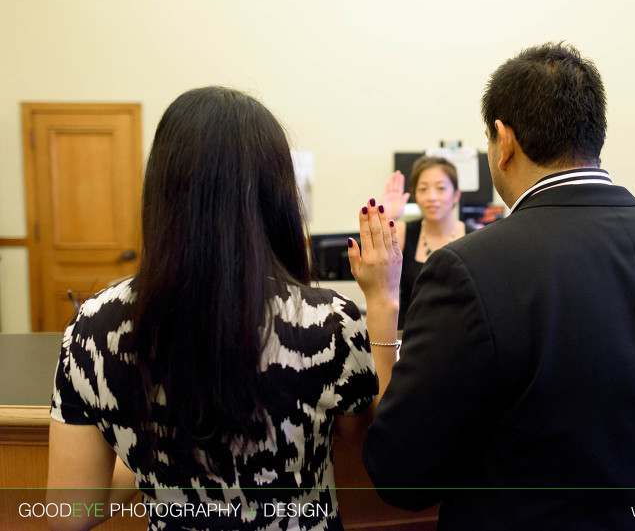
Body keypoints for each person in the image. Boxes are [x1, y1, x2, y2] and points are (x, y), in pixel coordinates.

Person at [362, 43, 635, 529]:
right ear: (595, 134)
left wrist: (381, 303)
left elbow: (402, 474)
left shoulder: (468, 268)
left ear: (503, 141)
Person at [46, 86, 402, 531]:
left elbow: (70, 516)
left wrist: (153, 449)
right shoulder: (327, 323)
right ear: (277, 193)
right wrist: (383, 300)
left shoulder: (92, 329)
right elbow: (376, 446)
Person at [380, 157, 476, 329]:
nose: (431, 197)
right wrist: (387, 219)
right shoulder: (401, 232)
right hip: (409, 336)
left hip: (462, 335)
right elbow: (377, 275)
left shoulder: (474, 237)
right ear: (415, 195)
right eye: (423, 189)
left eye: (441, 188)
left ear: (456, 195)